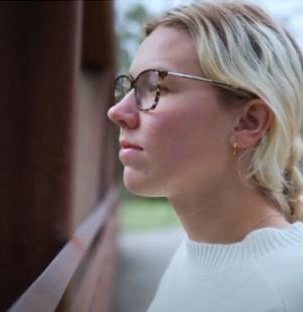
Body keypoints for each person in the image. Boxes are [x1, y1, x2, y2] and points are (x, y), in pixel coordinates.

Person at [108, 1, 303, 311]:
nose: (117, 111)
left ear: (248, 122)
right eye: (128, 86)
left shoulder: (289, 288)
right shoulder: (194, 257)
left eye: (155, 86)